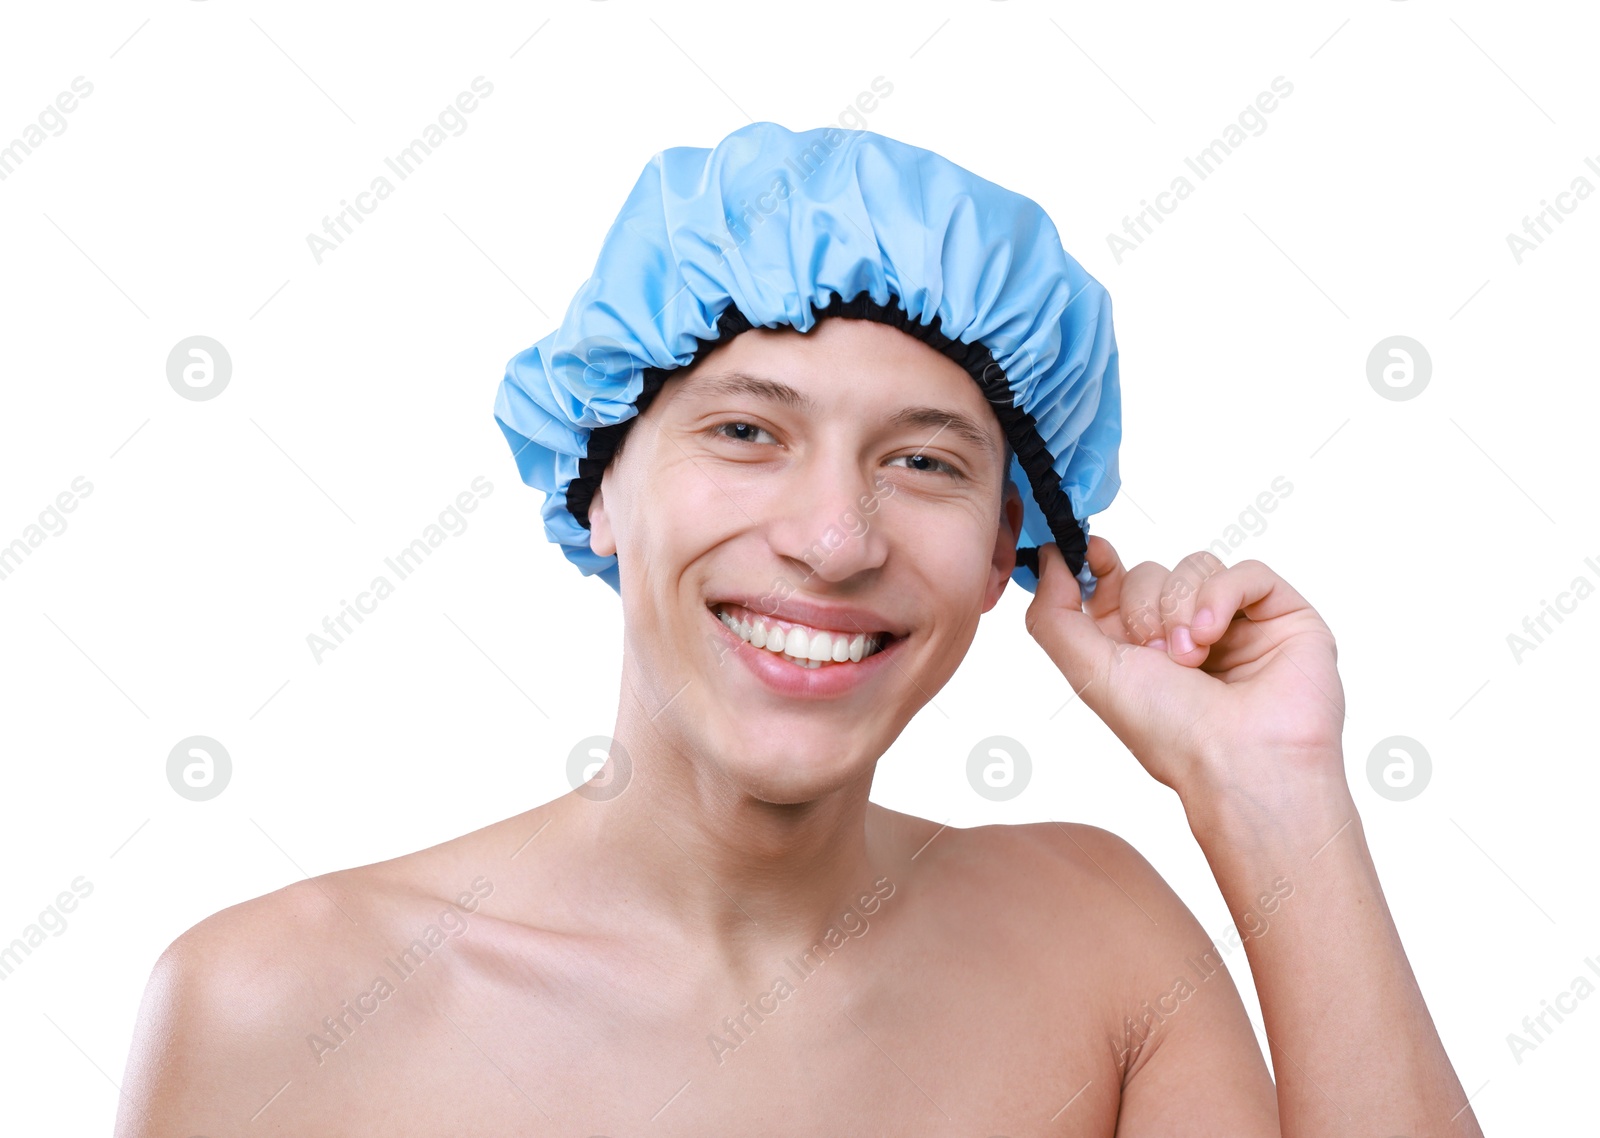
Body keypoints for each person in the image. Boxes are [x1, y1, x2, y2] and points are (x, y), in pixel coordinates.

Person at [116, 123, 1481, 1136]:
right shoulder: (271, 1003)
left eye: (926, 461)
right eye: (748, 430)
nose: (835, 536)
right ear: (601, 486)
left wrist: (1273, 792)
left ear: (1013, 535)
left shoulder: (1101, 949)